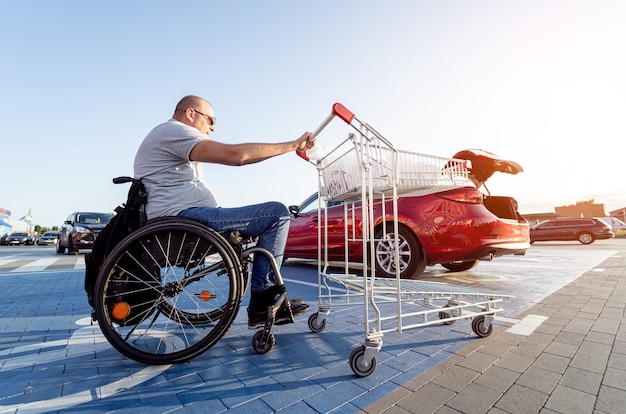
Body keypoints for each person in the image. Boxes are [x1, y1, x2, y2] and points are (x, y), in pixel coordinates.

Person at [133, 95, 316, 329]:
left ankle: (264, 297)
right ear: (191, 114)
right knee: (276, 214)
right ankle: (263, 301)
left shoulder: (167, 135)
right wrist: (293, 145)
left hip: (183, 216)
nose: (213, 127)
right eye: (210, 119)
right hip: (185, 218)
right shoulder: (174, 131)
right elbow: (236, 156)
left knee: (261, 218)